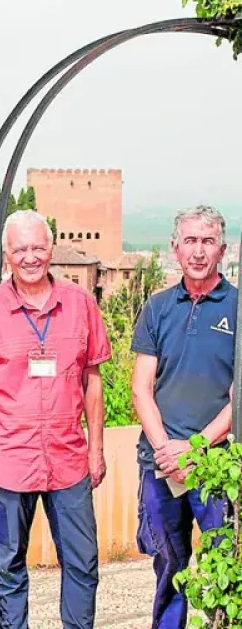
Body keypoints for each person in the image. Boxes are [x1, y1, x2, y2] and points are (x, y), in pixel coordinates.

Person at [0, 209, 112, 629]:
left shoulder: (81, 305)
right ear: (6, 255)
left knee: (82, 563)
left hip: (69, 460)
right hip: (7, 461)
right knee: (7, 568)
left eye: (38, 247)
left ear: (51, 249)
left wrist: (96, 450)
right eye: (20, 249)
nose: (30, 257)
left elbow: (92, 381)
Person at [131, 205, 237, 629]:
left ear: (222, 249)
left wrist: (195, 449)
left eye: (207, 241)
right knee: (168, 566)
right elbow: (141, 388)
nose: (198, 251)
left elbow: (239, 397)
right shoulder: (157, 308)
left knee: (222, 565)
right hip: (160, 464)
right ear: (175, 249)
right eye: (190, 241)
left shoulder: (239, 306)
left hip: (216, 464)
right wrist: (166, 450)